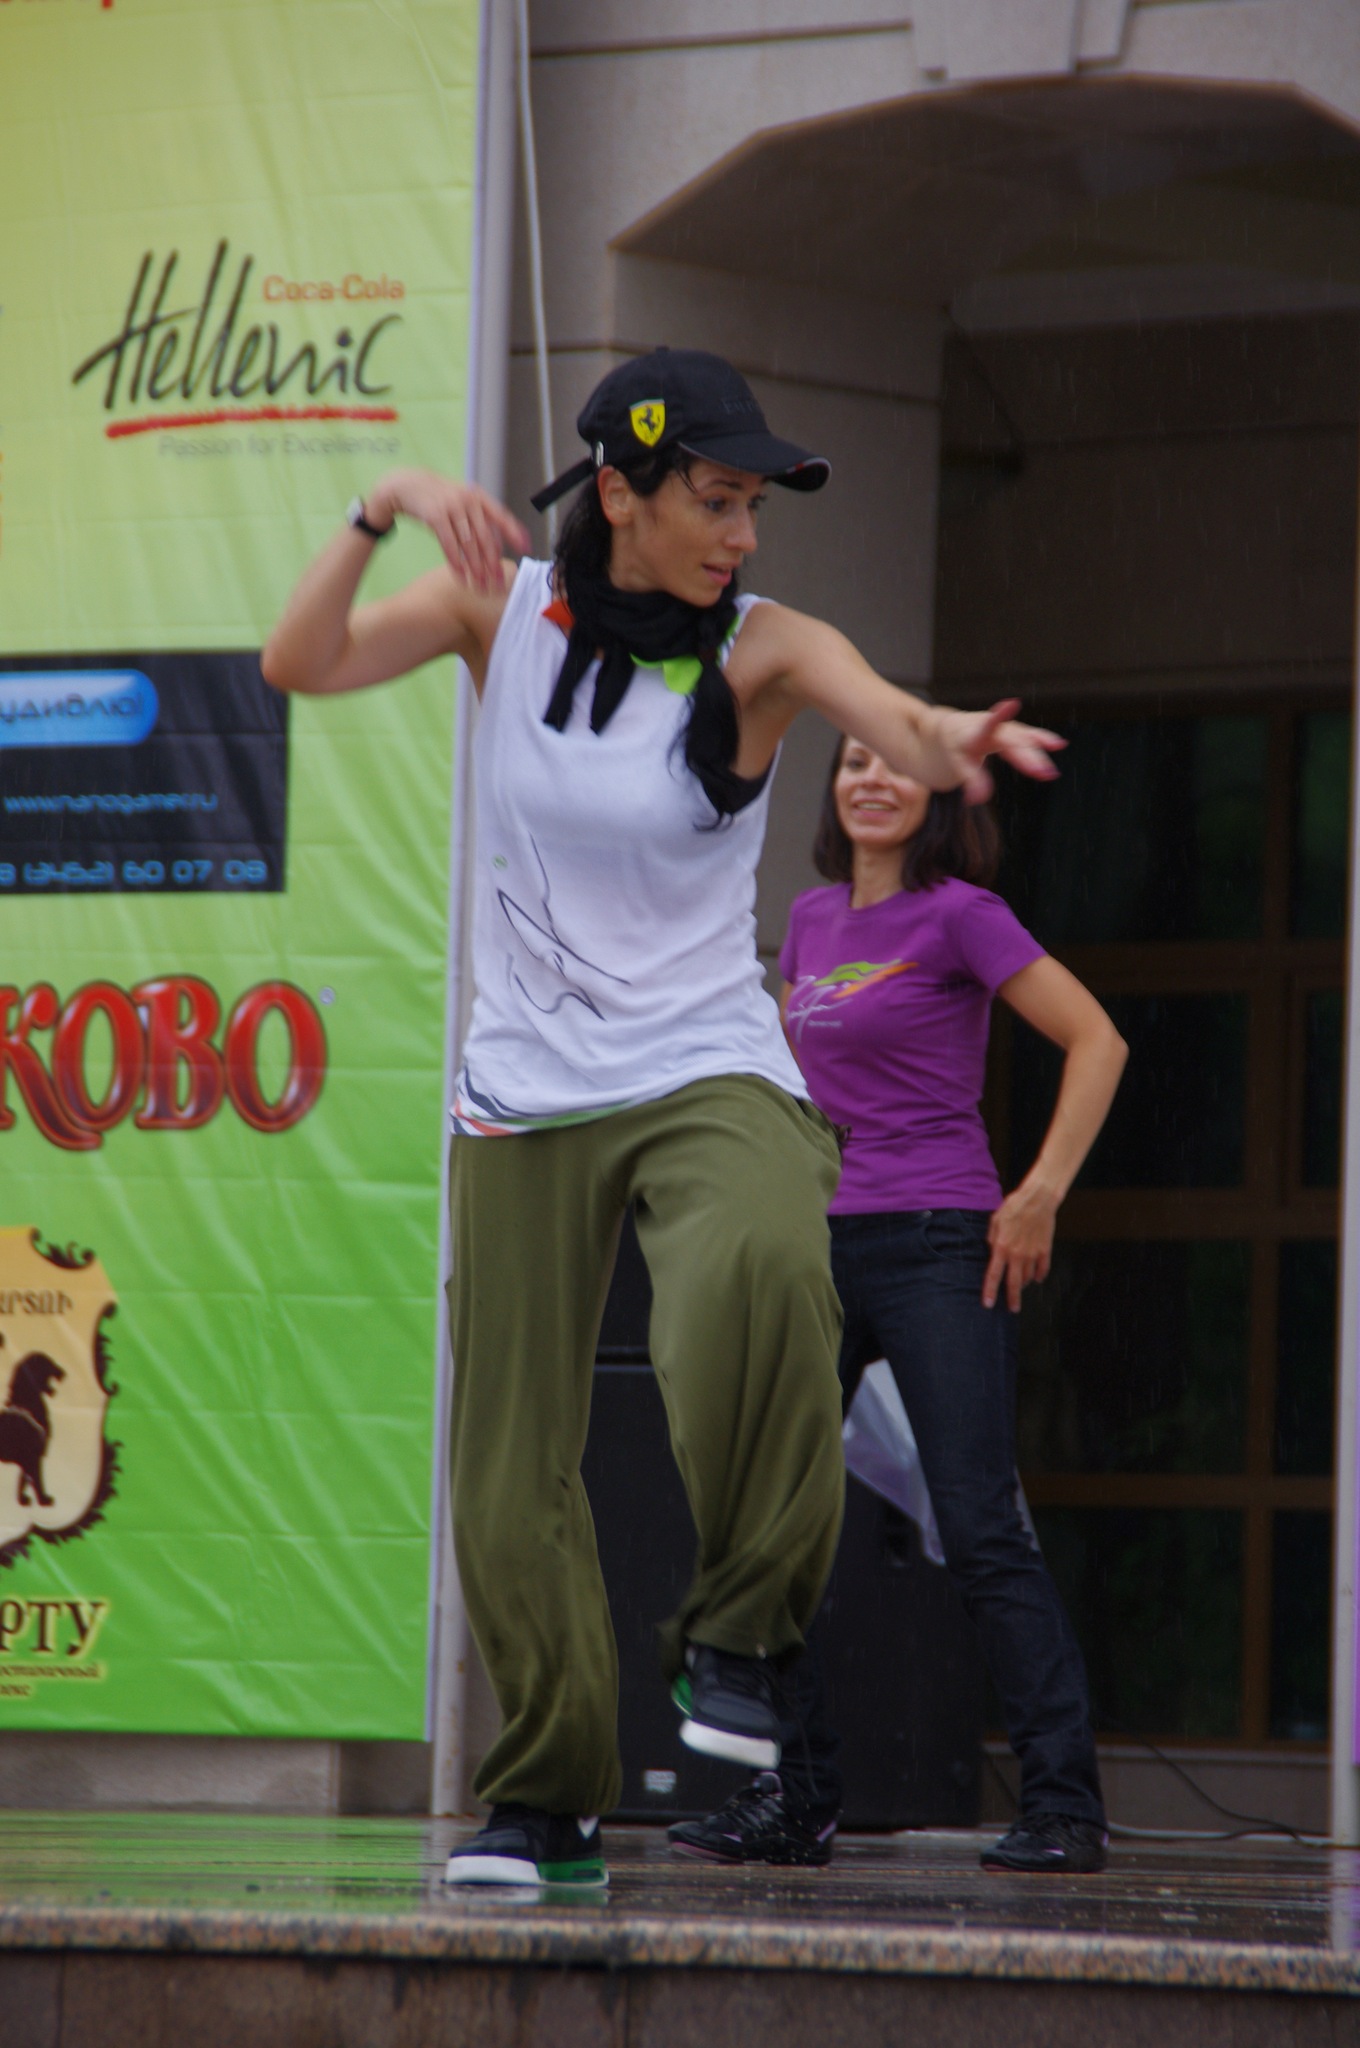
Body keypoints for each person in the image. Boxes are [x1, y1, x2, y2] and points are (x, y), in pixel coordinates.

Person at [262, 348, 1063, 1890]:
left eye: (754, 506)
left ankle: (743, 1641)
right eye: (716, 500)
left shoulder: (765, 647)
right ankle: (547, 1799)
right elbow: (300, 664)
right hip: (525, 1086)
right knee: (509, 1464)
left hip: (704, 1063)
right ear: (621, 494)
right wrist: (386, 501)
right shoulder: (499, 613)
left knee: (762, 1271)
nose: (742, 534)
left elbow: (889, 713)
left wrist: (945, 740)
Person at [668, 731, 1127, 1875]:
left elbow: (1096, 1039)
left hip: (936, 1242)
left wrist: (1039, 1192)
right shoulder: (811, 920)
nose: (870, 779)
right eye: (852, 762)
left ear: (935, 793)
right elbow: (781, 1084)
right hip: (812, 1245)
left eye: (895, 765)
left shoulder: (961, 913)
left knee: (978, 1523)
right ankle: (799, 1797)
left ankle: (1063, 1804)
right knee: (769, 1525)